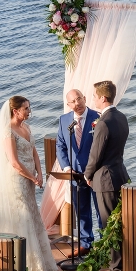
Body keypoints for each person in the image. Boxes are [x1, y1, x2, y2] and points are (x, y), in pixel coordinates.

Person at [0, 96, 58, 271]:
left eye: (29, 107)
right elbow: (14, 162)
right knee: (22, 215)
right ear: (15, 111)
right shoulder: (7, 132)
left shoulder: (26, 127)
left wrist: (40, 173)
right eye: (26, 108)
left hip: (30, 179)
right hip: (17, 179)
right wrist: (32, 177)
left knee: (32, 213)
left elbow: (34, 152)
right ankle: (25, 262)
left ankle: (41, 260)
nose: (29, 111)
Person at [84, 80, 130, 271]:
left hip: (105, 178)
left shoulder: (103, 122)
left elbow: (96, 154)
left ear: (103, 98)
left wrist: (87, 174)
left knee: (109, 224)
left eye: (95, 96)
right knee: (119, 223)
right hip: (120, 173)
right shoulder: (120, 117)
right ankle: (123, 264)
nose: (93, 99)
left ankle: (116, 269)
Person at [56, 88, 101, 258]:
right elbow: (60, 145)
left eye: (79, 99)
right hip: (75, 174)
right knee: (81, 211)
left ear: (85, 98)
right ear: (68, 104)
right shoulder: (64, 120)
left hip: (96, 173)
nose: (77, 104)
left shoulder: (97, 117)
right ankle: (85, 244)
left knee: (101, 211)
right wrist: (67, 168)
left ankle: (105, 244)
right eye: (73, 101)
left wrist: (93, 170)